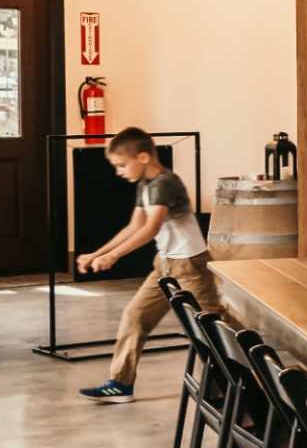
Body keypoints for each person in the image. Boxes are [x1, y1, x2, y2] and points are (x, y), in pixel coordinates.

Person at [75, 127, 214, 402]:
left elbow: (151, 228)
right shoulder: (145, 185)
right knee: (135, 316)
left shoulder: (165, 183)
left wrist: (113, 256)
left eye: (121, 165)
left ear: (143, 157)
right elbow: (134, 226)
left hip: (190, 266)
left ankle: (240, 389)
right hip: (165, 265)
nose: (118, 172)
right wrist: (96, 254)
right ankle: (120, 383)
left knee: (210, 329)